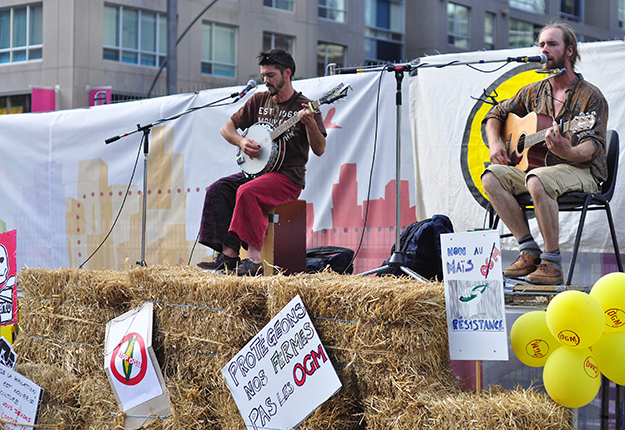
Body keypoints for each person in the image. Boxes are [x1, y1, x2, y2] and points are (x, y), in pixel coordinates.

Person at [481, 22, 608, 285]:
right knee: (491, 176)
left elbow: (594, 146)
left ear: (569, 51)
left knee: (538, 178)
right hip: (537, 170)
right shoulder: (533, 91)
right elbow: (495, 114)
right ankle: (528, 250)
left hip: (581, 172)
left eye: (552, 44)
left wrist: (568, 150)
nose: (544, 50)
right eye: (541, 44)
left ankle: (552, 263)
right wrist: (496, 144)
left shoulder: (591, 97)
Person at [197, 49, 327, 276]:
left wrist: (310, 124)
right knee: (219, 190)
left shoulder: (305, 107)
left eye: (271, 75)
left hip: (288, 178)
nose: (265, 80)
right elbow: (226, 128)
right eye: (263, 75)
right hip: (258, 174)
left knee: (248, 192)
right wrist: (242, 141)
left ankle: (253, 260)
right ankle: (228, 257)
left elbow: (320, 149)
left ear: (287, 74)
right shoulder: (258, 100)